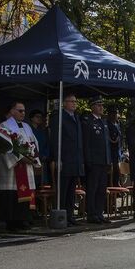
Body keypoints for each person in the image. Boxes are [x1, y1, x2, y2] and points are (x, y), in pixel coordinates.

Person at [0, 100, 39, 231]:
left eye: (24, 111)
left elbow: (33, 142)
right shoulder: (4, 125)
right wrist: (21, 158)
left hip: (27, 165)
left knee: (26, 194)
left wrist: (33, 157)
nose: (23, 113)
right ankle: (12, 222)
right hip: (13, 167)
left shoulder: (27, 126)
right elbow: (5, 146)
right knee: (12, 195)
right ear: (12, 111)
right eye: (20, 110)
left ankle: (24, 219)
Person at [49, 93, 85, 226]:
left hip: (75, 159)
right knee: (62, 190)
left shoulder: (76, 117)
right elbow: (55, 139)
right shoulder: (59, 117)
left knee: (71, 191)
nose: (74, 104)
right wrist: (57, 158)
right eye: (71, 101)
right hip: (64, 158)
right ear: (64, 103)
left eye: (75, 101)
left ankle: (70, 216)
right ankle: (61, 216)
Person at [81, 98, 111, 224]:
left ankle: (99, 213)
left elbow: (106, 144)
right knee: (92, 189)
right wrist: (88, 160)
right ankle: (91, 214)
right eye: (98, 105)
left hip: (103, 161)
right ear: (92, 107)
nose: (101, 107)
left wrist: (108, 160)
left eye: (102, 105)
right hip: (94, 161)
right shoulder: (88, 121)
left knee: (101, 189)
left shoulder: (103, 122)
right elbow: (86, 143)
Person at [28, 109, 50, 187]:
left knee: (41, 182)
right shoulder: (28, 130)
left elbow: (47, 144)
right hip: (32, 159)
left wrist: (45, 155)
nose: (39, 118)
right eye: (37, 117)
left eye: (41, 117)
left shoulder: (42, 131)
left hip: (42, 160)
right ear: (31, 118)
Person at [106, 107, 123, 186]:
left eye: (116, 113)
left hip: (117, 153)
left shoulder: (118, 124)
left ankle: (116, 186)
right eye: (114, 114)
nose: (116, 115)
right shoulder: (107, 124)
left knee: (116, 172)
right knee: (110, 174)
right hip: (111, 153)